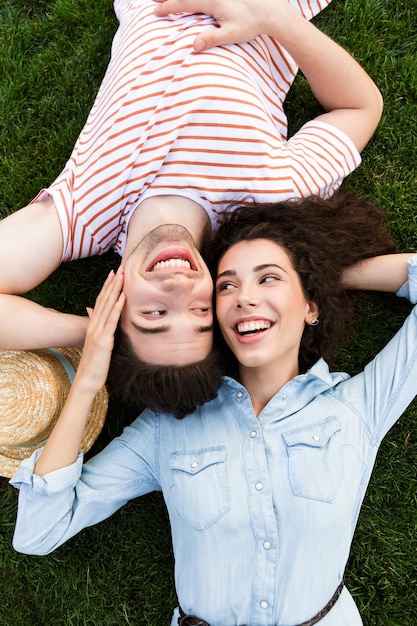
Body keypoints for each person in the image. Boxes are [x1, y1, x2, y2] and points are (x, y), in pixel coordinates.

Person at [10, 192, 416, 626]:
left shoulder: (356, 408)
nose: (244, 298)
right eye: (227, 285)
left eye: (269, 279)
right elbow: (39, 531)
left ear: (311, 307)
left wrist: (320, 276)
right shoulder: (168, 430)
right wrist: (90, 376)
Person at [0, 0, 383, 411]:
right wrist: (278, 19)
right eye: (200, 309)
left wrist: (95, 333)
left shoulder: (85, 215)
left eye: (153, 314)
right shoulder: (268, 197)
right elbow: (359, 108)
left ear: (116, 309)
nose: (180, 286)